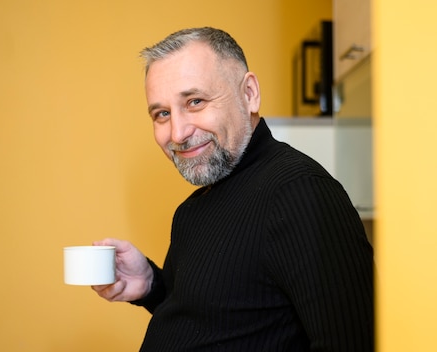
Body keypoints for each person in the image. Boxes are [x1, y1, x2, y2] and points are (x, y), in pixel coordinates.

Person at [92, 27, 374, 351]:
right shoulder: (194, 208)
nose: (178, 132)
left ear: (250, 93)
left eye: (195, 101)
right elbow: (216, 322)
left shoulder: (300, 193)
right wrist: (151, 285)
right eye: (162, 113)